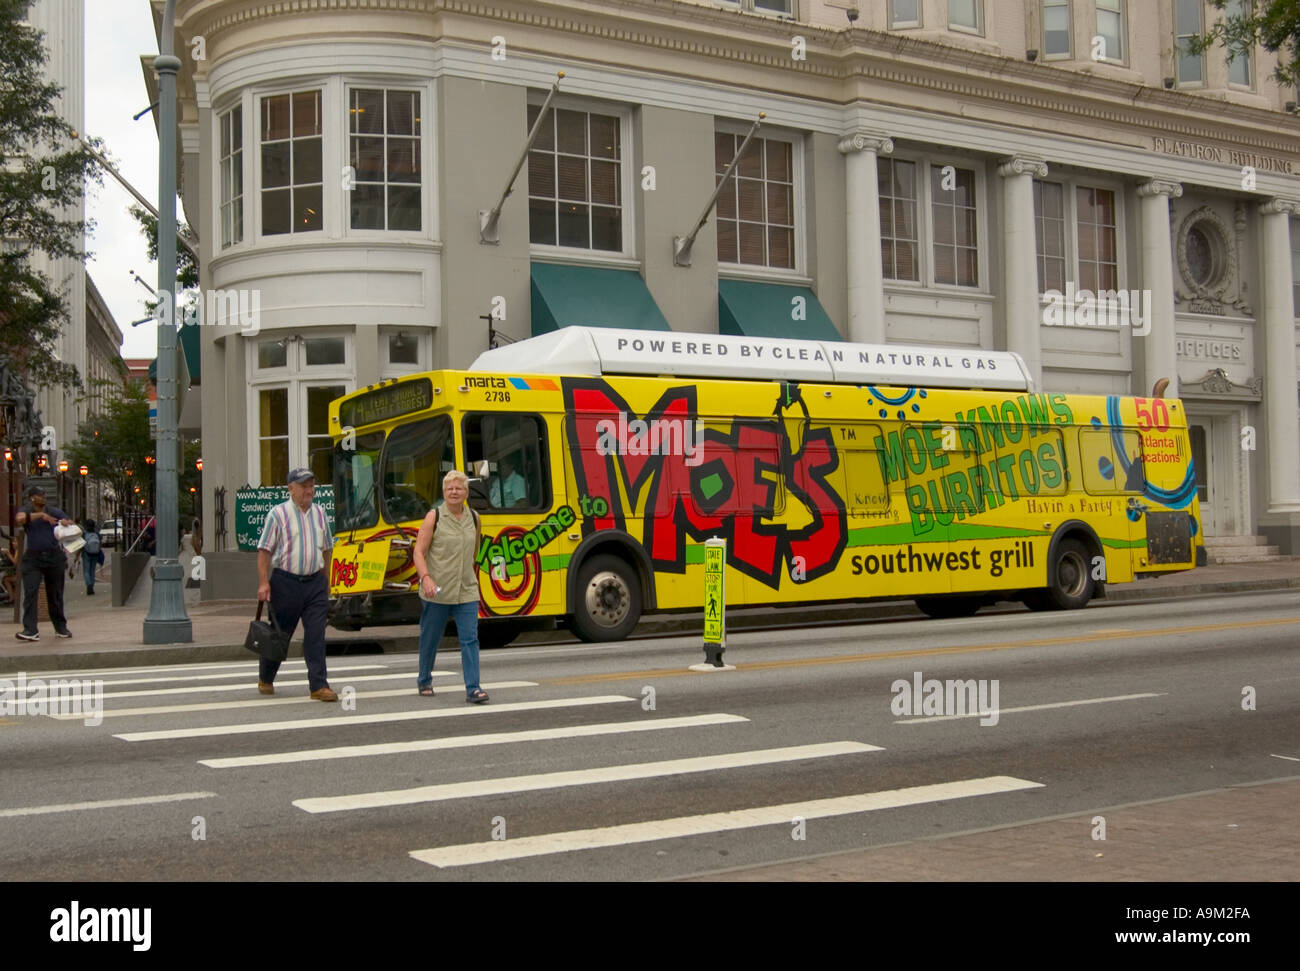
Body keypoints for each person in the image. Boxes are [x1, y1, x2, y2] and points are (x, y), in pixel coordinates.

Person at [255, 468, 336, 701]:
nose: (309, 491)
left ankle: (319, 686)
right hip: (286, 582)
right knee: (280, 635)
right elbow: (264, 552)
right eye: (304, 486)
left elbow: (327, 548)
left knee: (316, 634)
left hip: (314, 584)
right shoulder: (277, 514)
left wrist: (326, 580)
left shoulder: (320, 513)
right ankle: (266, 677)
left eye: (312, 486)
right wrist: (263, 583)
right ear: (291, 489)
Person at [413, 469, 488, 702]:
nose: (454, 492)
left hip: (466, 589)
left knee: (470, 638)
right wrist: (426, 577)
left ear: (466, 492)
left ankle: (473, 688)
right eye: (449, 488)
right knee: (431, 638)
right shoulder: (434, 517)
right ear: (444, 492)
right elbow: (419, 552)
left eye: (459, 488)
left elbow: (475, 551)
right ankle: (424, 679)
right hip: (437, 591)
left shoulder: (474, 518)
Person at [14, 485, 74, 641]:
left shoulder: (53, 511)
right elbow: (19, 520)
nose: (44, 497)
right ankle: (30, 630)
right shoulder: (26, 510)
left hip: (54, 557)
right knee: (30, 593)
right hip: (33, 558)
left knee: (55, 595)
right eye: (40, 495)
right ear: (32, 497)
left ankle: (61, 628)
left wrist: (66, 523)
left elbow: (68, 521)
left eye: (45, 494)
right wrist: (40, 515)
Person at [81, 520, 104, 595]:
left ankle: (89, 584)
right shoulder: (96, 533)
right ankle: (92, 585)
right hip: (95, 554)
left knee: (86, 571)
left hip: (86, 553)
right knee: (92, 570)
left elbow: (81, 544)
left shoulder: (84, 534)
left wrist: (77, 555)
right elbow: (100, 543)